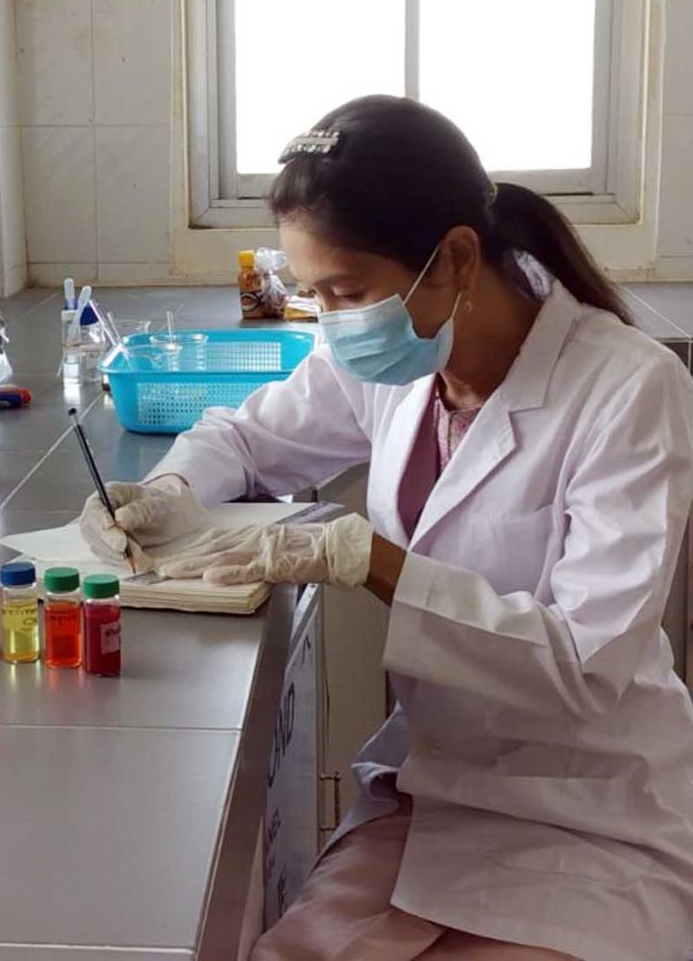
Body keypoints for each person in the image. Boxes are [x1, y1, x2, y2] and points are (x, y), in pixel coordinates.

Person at [81, 96, 693, 961]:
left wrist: (371, 560)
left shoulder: (629, 388)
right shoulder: (397, 363)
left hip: (589, 811)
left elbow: (584, 666)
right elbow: (247, 438)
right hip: (434, 791)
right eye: (315, 294)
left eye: (346, 291)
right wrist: (171, 491)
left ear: (456, 258)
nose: (334, 321)